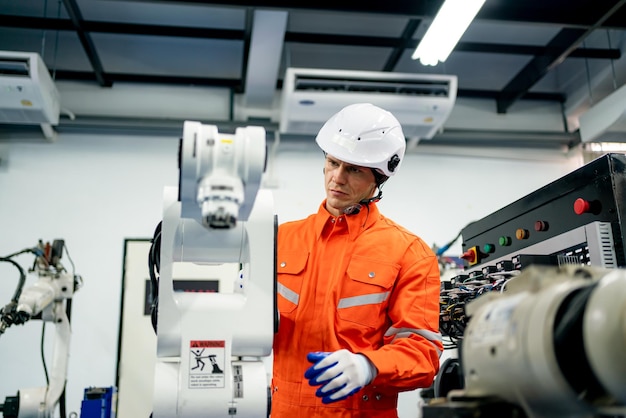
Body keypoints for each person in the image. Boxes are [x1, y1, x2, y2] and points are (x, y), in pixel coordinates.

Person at [271, 103, 443, 417]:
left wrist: (369, 366)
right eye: (333, 162)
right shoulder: (280, 240)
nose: (337, 177)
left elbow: (423, 354)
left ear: (377, 179)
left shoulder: (409, 253)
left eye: (354, 169)